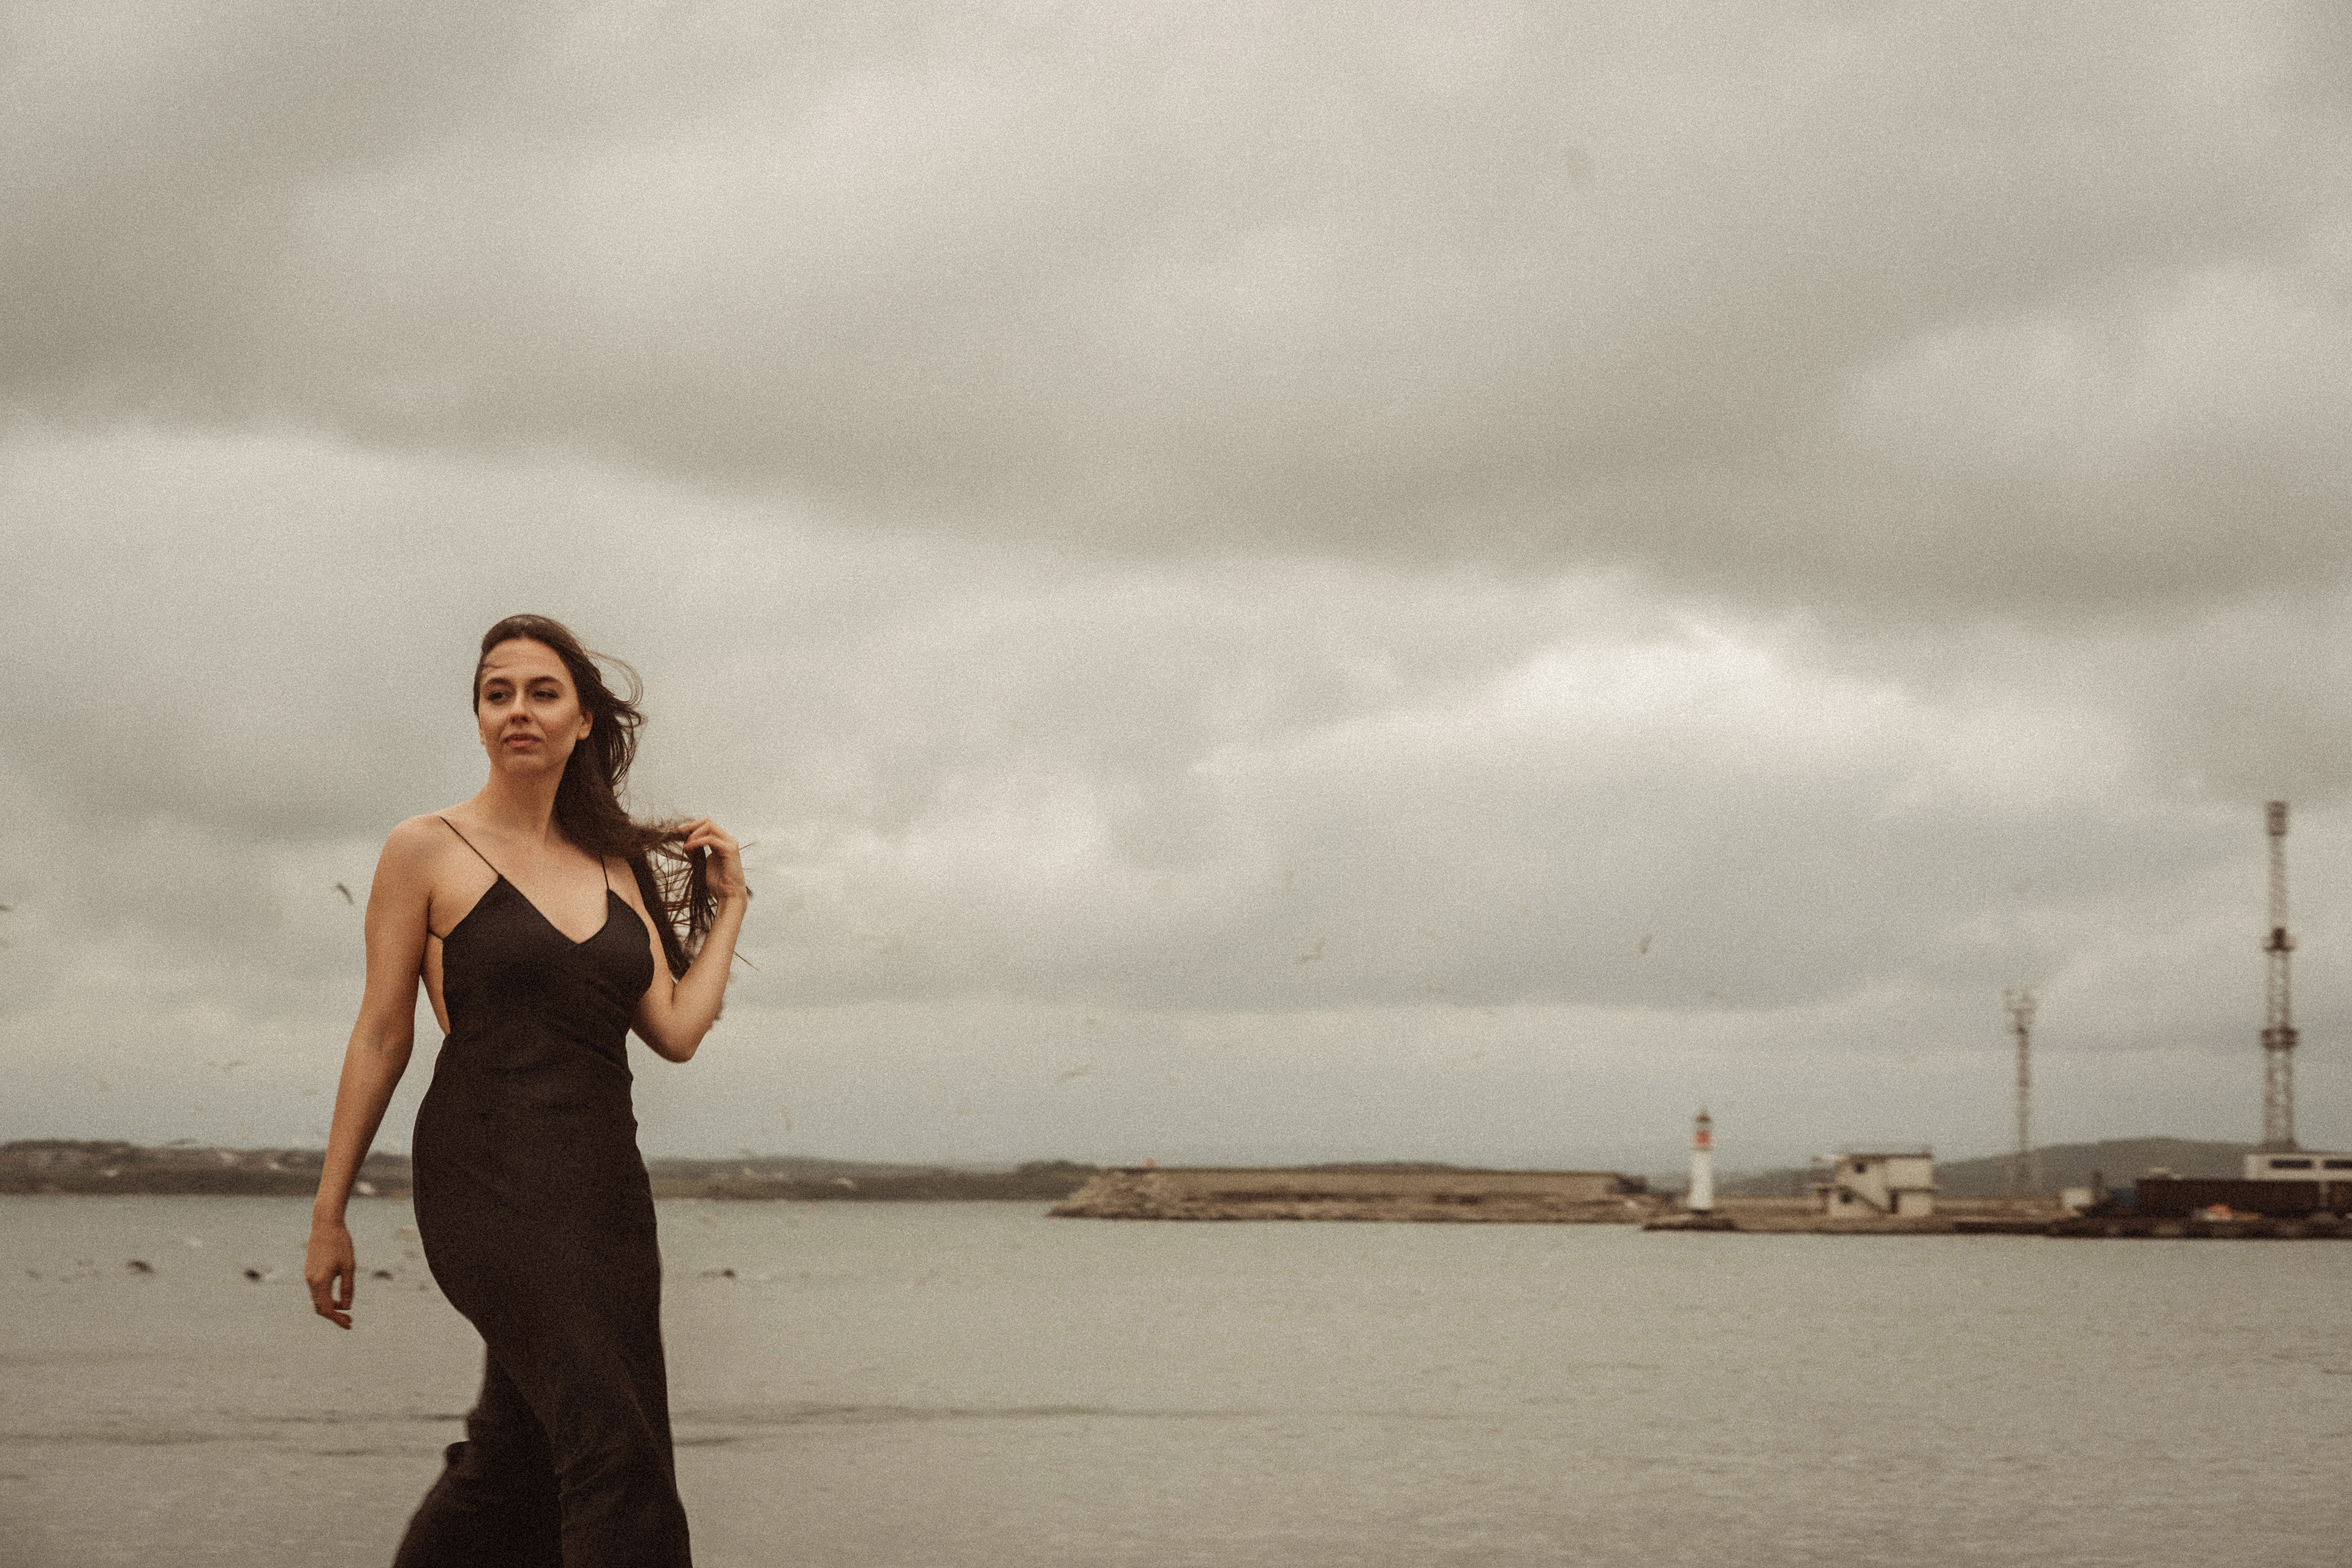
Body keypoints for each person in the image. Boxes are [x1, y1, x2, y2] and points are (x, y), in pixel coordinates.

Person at [304, 614, 748, 1567]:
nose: (518, 711)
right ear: (477, 718)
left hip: (604, 1193)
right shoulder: (425, 848)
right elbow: (382, 1035)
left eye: (543, 693)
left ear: (582, 720)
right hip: (486, 1179)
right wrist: (329, 1211)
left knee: (516, 1459)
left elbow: (675, 1032)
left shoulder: (617, 865)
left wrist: (732, 907)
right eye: (496, 693)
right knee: (615, 1453)